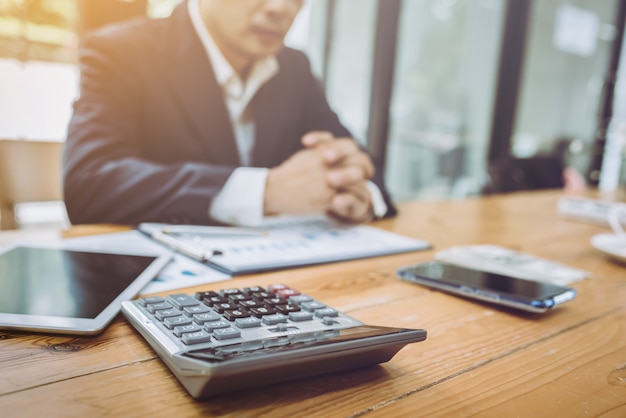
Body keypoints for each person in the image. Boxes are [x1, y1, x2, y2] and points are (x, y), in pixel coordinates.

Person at [63, 0, 397, 227]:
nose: (281, 8)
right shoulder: (121, 51)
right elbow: (89, 183)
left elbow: (359, 162)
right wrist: (266, 192)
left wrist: (357, 193)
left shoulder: (293, 66)